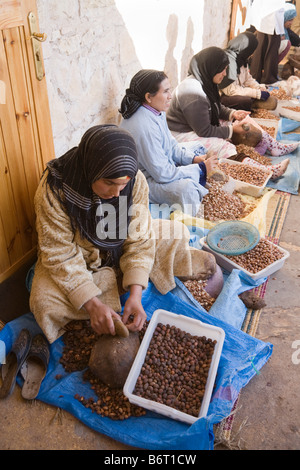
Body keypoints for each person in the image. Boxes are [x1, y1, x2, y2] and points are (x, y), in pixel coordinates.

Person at [29, 125, 216, 343]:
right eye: (108, 183)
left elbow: (140, 238)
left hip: (120, 248)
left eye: (122, 185)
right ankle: (129, 284)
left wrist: (136, 294)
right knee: (43, 300)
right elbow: (59, 252)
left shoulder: (134, 179)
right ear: (91, 169)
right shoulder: (55, 188)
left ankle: (126, 284)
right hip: (82, 260)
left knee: (175, 230)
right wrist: (91, 303)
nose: (116, 193)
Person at [119, 69, 218, 217]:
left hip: (158, 167)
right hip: (144, 180)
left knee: (197, 148)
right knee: (187, 189)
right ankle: (194, 221)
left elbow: (171, 145)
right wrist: (200, 169)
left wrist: (194, 160)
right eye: (165, 92)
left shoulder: (154, 110)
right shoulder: (144, 126)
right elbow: (162, 174)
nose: (170, 96)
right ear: (148, 97)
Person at [166, 47, 251, 153]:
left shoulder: (207, 81)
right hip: (181, 134)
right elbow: (204, 131)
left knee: (242, 121)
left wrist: (233, 113)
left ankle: (269, 144)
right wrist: (231, 130)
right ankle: (250, 165)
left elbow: (214, 107)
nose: (225, 74)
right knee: (226, 148)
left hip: (196, 127)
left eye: (226, 69)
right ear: (212, 67)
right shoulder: (194, 93)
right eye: (222, 69)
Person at [219, 31, 277, 111]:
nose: (251, 54)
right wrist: (256, 94)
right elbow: (230, 91)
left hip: (238, 90)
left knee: (273, 102)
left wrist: (258, 87)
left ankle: (252, 104)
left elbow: (248, 79)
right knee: (245, 100)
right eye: (250, 51)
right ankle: (251, 105)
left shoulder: (241, 60)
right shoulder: (226, 61)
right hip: (223, 96)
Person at [248, 0, 286, 84]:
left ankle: (255, 77)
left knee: (260, 48)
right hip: (272, 14)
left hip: (262, 15)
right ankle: (269, 78)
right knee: (271, 50)